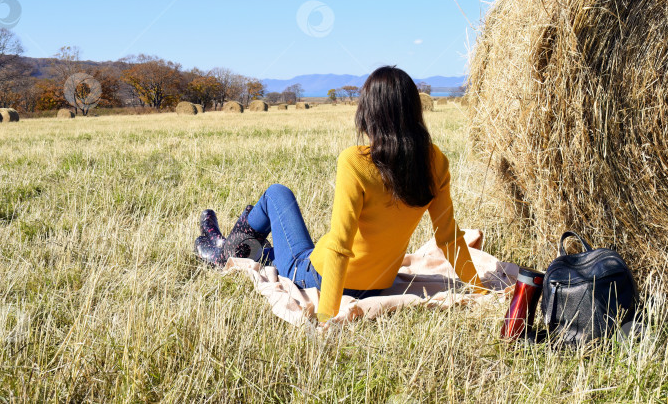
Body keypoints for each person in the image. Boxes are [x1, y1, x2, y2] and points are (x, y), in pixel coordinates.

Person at [194, 66, 487, 323]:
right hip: (377, 284)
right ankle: (239, 247)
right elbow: (447, 237)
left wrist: (327, 315)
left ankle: (222, 253)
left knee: (277, 194)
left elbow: (340, 247)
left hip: (317, 276)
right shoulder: (435, 161)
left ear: (368, 114)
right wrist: (480, 289)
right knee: (271, 250)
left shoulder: (356, 161)